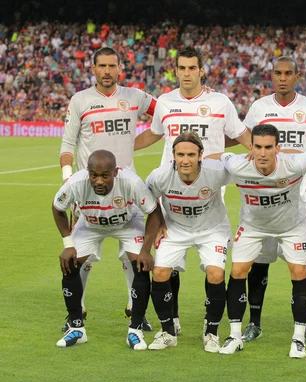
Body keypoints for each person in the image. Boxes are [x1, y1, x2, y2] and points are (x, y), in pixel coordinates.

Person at [135, 46, 251, 335]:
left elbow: (239, 134)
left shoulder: (220, 102)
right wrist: (122, 145)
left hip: (207, 188)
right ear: (176, 70)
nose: (186, 73)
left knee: (211, 264)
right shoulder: (165, 101)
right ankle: (171, 319)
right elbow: (154, 133)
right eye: (181, 68)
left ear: (202, 71)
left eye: (192, 68)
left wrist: (263, 154)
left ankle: (209, 321)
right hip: (170, 191)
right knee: (167, 264)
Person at [217, 124, 306, 358]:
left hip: (291, 227)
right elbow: (217, 155)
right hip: (253, 227)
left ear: (277, 148)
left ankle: (298, 339)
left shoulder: (294, 164)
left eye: (268, 147)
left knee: (299, 273)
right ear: (251, 147)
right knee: (238, 271)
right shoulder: (238, 164)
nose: (263, 153)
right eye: (258, 147)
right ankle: (234, 335)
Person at [59, 46, 157, 332]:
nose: (106, 71)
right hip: (90, 192)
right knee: (80, 258)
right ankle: (77, 311)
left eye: (111, 66)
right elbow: (67, 144)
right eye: (101, 66)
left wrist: (135, 143)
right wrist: (68, 178)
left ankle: (134, 309)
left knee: (135, 257)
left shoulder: (134, 97)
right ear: (93, 69)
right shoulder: (80, 100)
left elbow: (165, 114)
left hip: (128, 193)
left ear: (119, 69)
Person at [241, 56, 306, 345]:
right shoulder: (259, 107)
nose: (282, 78)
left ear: (297, 76)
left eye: (288, 73)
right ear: (271, 75)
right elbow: (246, 135)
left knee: (305, 265)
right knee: (259, 263)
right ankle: (254, 323)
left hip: (301, 195)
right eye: (277, 73)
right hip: (264, 194)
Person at [52, 150, 162, 349]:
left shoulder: (131, 182)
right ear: (88, 172)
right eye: (94, 175)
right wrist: (68, 244)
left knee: (141, 264)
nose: (99, 181)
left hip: (127, 222)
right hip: (91, 224)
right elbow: (58, 208)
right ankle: (76, 328)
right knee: (69, 262)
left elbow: (154, 212)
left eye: (105, 175)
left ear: (115, 172)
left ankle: (135, 328)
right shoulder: (77, 183)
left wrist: (146, 249)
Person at [144, 131, 231, 351]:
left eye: (191, 154)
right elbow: (147, 198)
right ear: (173, 155)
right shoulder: (160, 175)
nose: (185, 160)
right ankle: (167, 332)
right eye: (180, 154)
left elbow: (243, 173)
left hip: (212, 228)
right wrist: (160, 220)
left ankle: (211, 332)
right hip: (175, 228)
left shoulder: (216, 171)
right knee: (160, 273)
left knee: (216, 273)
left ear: (201, 155)